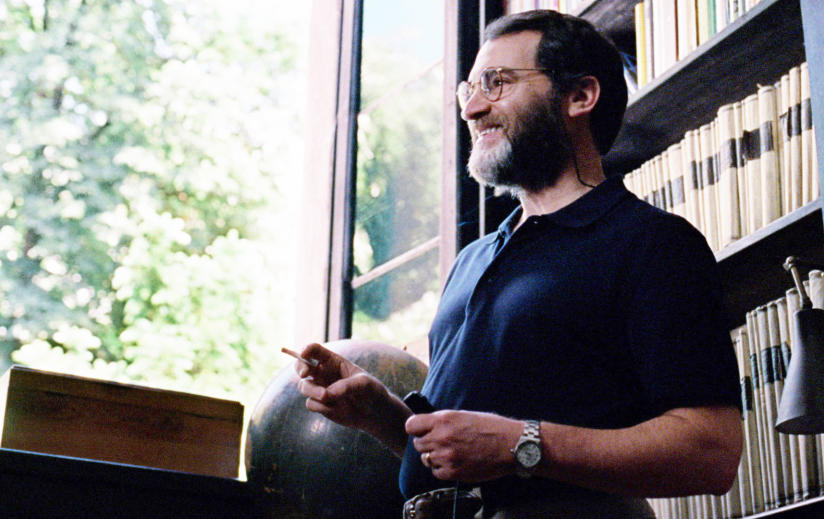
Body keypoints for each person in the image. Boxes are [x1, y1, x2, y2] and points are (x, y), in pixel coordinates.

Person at [294, 9, 742, 519]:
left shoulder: (653, 243)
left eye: (496, 83)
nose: (472, 109)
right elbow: (469, 460)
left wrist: (519, 445)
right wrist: (380, 414)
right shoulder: (471, 261)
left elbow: (713, 452)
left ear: (579, 96)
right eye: (469, 90)